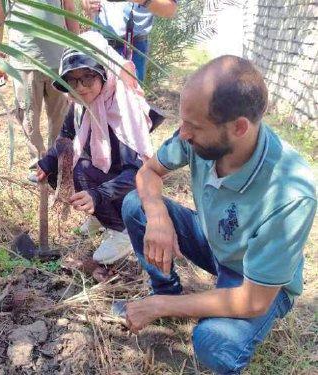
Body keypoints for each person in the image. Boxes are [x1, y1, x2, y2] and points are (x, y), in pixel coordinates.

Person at [121, 55, 316, 373]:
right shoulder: (198, 137)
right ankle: (166, 291)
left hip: (254, 279)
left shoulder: (290, 194)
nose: (182, 133)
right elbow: (148, 173)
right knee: (136, 205)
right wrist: (157, 217)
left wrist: (158, 308)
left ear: (239, 128)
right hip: (215, 240)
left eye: (194, 127)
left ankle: (165, 304)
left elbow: (253, 301)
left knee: (214, 342)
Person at [37, 31, 164, 265]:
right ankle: (100, 217)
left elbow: (137, 171)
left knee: (81, 171)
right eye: (72, 80)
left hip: (130, 185)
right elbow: (66, 137)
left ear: (104, 74)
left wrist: (98, 194)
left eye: (87, 77)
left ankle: (123, 230)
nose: (81, 88)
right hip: (107, 173)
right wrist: (46, 163)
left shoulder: (122, 108)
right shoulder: (79, 103)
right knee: (61, 166)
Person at [0, 0, 79, 180]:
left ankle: (57, 161)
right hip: (24, 61)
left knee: (60, 116)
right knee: (28, 117)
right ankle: (37, 162)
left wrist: (74, 50)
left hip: (57, 61)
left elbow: (69, 9)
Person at [82, 0, 177, 81]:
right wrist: (87, 4)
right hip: (98, 44)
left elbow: (170, 9)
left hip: (132, 48)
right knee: (93, 98)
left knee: (129, 98)